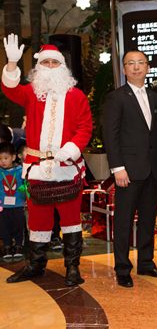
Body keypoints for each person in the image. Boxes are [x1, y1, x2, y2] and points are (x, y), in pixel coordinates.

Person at [2, 34, 92, 286]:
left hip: (67, 168)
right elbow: (10, 89)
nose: (50, 68)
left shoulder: (76, 96)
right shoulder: (31, 93)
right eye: (46, 63)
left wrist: (71, 149)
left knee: (71, 219)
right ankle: (35, 264)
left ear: (62, 67)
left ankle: (72, 267)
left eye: (55, 63)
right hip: (37, 167)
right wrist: (11, 64)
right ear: (38, 67)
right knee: (38, 218)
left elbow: (85, 127)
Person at [103, 49, 157, 288]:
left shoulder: (155, 97)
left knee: (148, 219)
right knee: (123, 220)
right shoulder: (116, 97)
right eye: (130, 63)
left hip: (151, 170)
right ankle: (122, 268)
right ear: (124, 69)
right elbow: (111, 135)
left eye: (140, 63)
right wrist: (117, 168)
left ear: (147, 67)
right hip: (127, 171)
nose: (136, 67)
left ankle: (146, 262)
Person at [0, 142, 26, 261]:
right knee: (4, 226)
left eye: (6, 158)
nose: (3, 161)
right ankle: (7, 246)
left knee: (18, 226)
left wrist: (26, 195)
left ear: (13, 157)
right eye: (0, 159)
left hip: (18, 204)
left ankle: (19, 246)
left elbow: (27, 185)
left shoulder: (21, 170)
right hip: (3, 206)